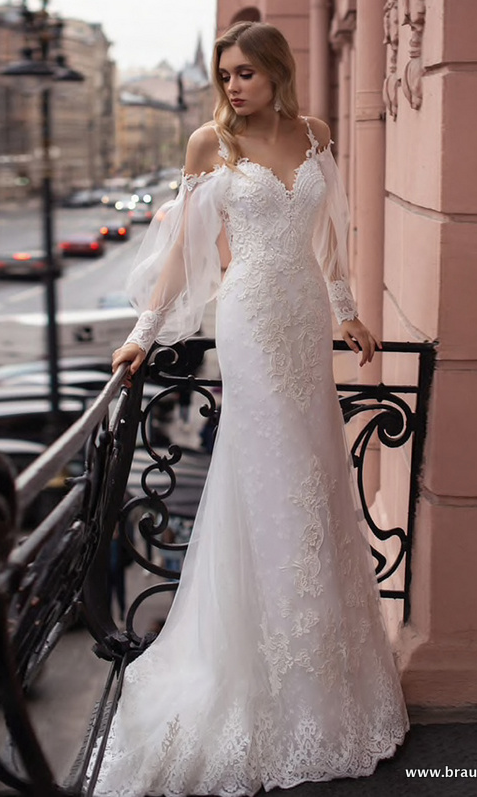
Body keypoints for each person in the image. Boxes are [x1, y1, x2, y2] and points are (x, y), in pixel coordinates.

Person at [98, 20, 409, 797]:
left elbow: (331, 232)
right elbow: (180, 250)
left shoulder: (316, 132)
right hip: (249, 323)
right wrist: (144, 332)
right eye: (224, 74)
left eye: (245, 73)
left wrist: (346, 310)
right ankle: (263, 676)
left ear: (276, 71)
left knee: (314, 476)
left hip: (303, 320)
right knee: (270, 478)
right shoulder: (212, 144)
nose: (233, 86)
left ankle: (326, 681)